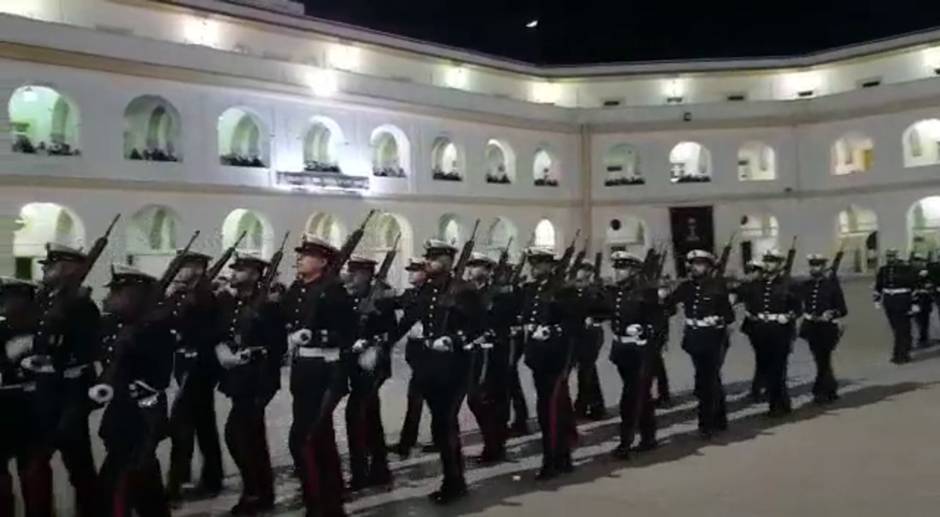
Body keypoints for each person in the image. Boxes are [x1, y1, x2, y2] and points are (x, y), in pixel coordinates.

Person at [391, 239, 485, 504]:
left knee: (446, 423)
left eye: (433, 258)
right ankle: (453, 478)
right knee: (440, 424)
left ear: (446, 261)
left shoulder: (464, 290)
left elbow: (479, 327)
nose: (427, 262)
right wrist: (383, 342)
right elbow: (408, 319)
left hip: (455, 367)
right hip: (429, 366)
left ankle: (454, 482)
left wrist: (454, 340)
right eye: (428, 257)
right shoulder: (427, 291)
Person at [17, 244, 101, 516]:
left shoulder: (82, 305)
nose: (44, 269)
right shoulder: (45, 299)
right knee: (39, 462)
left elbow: (87, 350)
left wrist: (55, 361)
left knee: (78, 465)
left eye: (51, 265)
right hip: (45, 393)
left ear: (68, 269)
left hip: (70, 394)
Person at [92, 264, 175, 517]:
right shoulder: (116, 326)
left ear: (133, 297)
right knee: (143, 477)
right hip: (121, 413)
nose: (108, 298)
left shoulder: (153, 330)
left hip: (141, 415)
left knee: (119, 481)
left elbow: (158, 378)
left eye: (116, 293)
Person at [283, 235, 356, 517]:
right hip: (303, 371)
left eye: (306, 255)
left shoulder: (334, 291)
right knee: (321, 438)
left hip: (327, 372)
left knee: (304, 438)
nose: (300, 259)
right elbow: (285, 318)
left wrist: (314, 335)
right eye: (300, 255)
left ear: (323, 262)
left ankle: (318, 504)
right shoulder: (297, 289)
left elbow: (348, 333)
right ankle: (331, 499)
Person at [214, 254, 286, 514]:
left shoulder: (269, 305)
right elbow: (223, 331)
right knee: (252, 437)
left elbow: (279, 347)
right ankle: (261, 491)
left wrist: (255, 360)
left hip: (258, 378)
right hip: (238, 378)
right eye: (234, 269)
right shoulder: (231, 302)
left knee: (237, 435)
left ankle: (254, 490)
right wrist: (222, 348)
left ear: (256, 275)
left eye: (241, 269)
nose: (234, 273)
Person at [166, 251, 224, 502]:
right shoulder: (179, 295)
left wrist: (184, 337)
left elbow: (211, 331)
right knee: (203, 423)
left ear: (199, 269)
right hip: (184, 363)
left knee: (182, 422)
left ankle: (177, 479)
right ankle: (212, 476)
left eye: (185, 266)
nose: (179, 271)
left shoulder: (206, 296)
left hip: (201, 365)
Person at [665, 250, 734, 439]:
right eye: (693, 264)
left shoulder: (717, 286)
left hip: (713, 337)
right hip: (694, 338)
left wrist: (717, 319)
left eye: (700, 264)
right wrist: (661, 297)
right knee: (708, 378)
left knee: (708, 380)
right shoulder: (686, 287)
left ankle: (707, 423)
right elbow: (669, 304)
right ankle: (720, 418)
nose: (695, 267)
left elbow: (730, 316)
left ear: (709, 267)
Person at [520, 247, 576, 480]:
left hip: (556, 357)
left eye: (540, 264)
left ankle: (551, 460)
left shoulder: (564, 290)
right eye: (533, 263)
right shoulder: (531, 290)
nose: (534, 268)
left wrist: (551, 330)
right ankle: (563, 455)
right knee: (555, 407)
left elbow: (573, 323)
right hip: (537, 357)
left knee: (549, 410)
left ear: (551, 266)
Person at [602, 251, 662, 459]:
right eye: (617, 267)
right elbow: (604, 310)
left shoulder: (646, 293)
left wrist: (645, 330)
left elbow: (658, 322)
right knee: (641, 396)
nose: (618, 272)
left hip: (640, 351)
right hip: (622, 351)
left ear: (634, 270)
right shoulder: (615, 292)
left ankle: (625, 443)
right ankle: (649, 437)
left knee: (630, 398)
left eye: (623, 268)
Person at [344, 255, 396, 491]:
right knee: (370, 416)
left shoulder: (381, 298)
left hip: (374, 363)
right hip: (355, 363)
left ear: (368, 274)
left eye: (357, 273)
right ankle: (379, 467)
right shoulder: (350, 297)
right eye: (351, 272)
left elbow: (390, 332)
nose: (352, 277)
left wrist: (373, 346)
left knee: (356, 413)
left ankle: (360, 472)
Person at [465, 252, 514, 465]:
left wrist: (490, 334)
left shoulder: (499, 294)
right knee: (476, 400)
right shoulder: (467, 294)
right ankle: (493, 443)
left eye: (478, 266)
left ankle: (495, 446)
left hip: (493, 353)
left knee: (491, 400)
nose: (473, 270)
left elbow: (505, 323)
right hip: (473, 353)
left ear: (487, 270)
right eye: (472, 265)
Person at [0, 277, 42, 516]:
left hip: (31, 408)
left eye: (7, 299)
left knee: (33, 474)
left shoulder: (42, 329)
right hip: (5, 407)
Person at [741, 250, 801, 417]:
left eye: (773, 261)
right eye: (766, 261)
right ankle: (776, 403)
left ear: (780, 264)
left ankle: (780, 405)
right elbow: (747, 296)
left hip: (780, 331)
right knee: (767, 368)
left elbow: (798, 308)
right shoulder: (758, 284)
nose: (768, 264)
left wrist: (788, 316)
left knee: (779, 369)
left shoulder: (789, 284)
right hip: (761, 330)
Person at [390, 257, 432, 458]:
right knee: (421, 397)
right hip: (415, 353)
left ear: (425, 272)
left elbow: (408, 321)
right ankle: (409, 440)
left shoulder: (431, 294)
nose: (411, 274)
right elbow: (396, 308)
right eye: (410, 271)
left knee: (421, 396)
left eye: (415, 270)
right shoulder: (409, 294)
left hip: (430, 352)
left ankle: (408, 442)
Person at [798, 254, 848, 404]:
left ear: (823, 267)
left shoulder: (831, 285)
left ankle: (821, 391)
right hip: (811, 327)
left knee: (823, 359)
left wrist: (832, 313)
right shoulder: (806, 285)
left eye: (818, 265)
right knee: (820, 359)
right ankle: (829, 389)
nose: (814, 268)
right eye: (812, 265)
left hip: (827, 327)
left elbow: (843, 309)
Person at [567, 262, 607, 421]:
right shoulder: (572, 292)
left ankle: (592, 406)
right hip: (575, 334)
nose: (581, 276)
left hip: (591, 334)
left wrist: (594, 317)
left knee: (587, 370)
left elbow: (607, 310)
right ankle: (587, 405)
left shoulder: (596, 291)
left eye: (584, 273)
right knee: (585, 370)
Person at [874, 249, 917, 364]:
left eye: (892, 256)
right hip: (889, 301)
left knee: (902, 329)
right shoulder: (884, 270)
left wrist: (914, 303)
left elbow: (913, 286)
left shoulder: (905, 269)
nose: (890, 258)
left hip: (903, 300)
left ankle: (901, 354)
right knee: (895, 328)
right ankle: (901, 351)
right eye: (889, 256)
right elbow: (879, 286)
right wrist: (877, 299)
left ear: (896, 256)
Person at [736, 260, 767, 402]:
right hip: (753, 326)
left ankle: (761, 387)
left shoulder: (768, 285)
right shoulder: (746, 286)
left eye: (755, 271)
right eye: (750, 271)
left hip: (768, 325)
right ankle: (759, 387)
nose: (752, 274)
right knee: (762, 357)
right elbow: (734, 299)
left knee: (766, 357)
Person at [910, 253, 933, 348]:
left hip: (924, 298)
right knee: (918, 319)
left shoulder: (927, 271)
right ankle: (921, 338)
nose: (918, 262)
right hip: (916, 298)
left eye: (919, 260)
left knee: (923, 319)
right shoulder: (910, 272)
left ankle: (923, 338)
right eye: (916, 260)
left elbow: (931, 284)